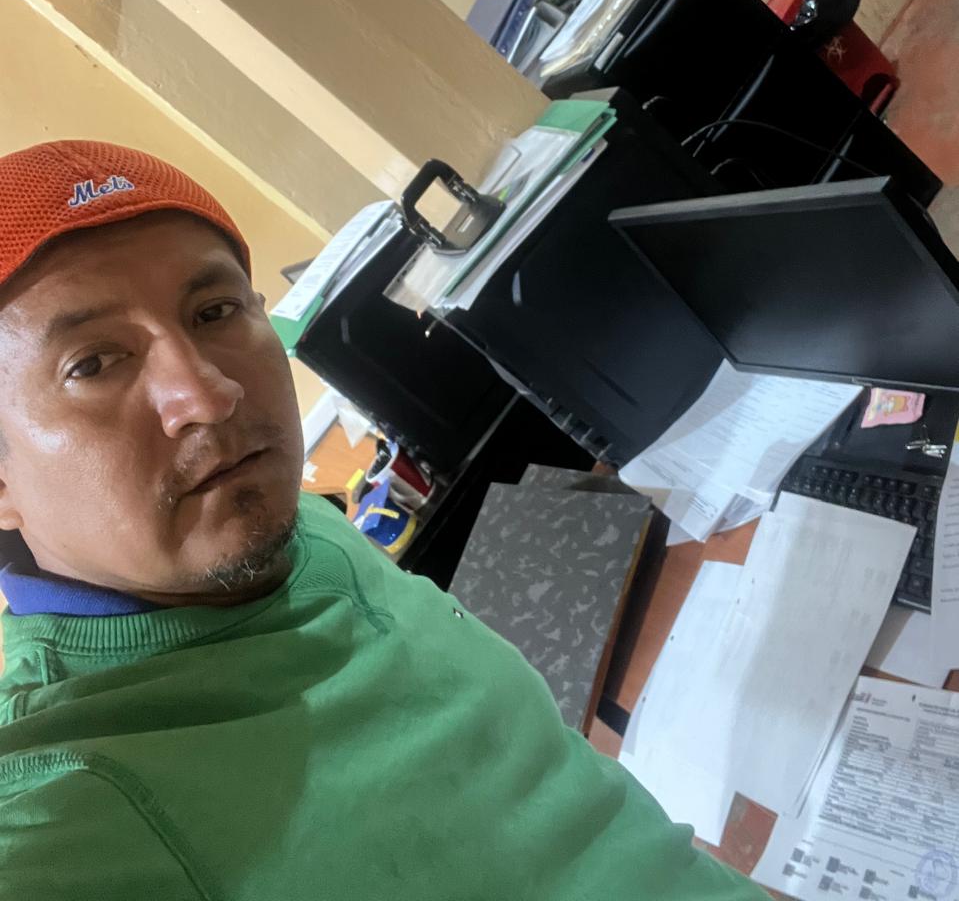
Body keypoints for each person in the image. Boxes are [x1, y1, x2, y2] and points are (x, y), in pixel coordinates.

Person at [0, 140, 765, 900]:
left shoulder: (287, 519)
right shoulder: (66, 810)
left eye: (214, 311)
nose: (206, 395)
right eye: (92, 363)